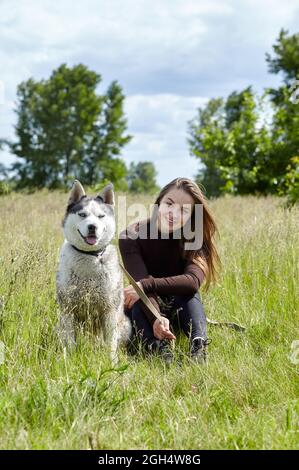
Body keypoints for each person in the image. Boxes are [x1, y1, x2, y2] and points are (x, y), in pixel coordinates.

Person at [118, 177, 221, 365]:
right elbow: (140, 289)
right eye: (169, 204)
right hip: (147, 305)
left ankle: (198, 348)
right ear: (158, 203)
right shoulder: (130, 236)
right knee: (136, 301)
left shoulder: (196, 238)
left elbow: (192, 281)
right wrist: (157, 318)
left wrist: (145, 284)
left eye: (184, 210)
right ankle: (160, 352)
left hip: (181, 306)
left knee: (190, 295)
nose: (173, 213)